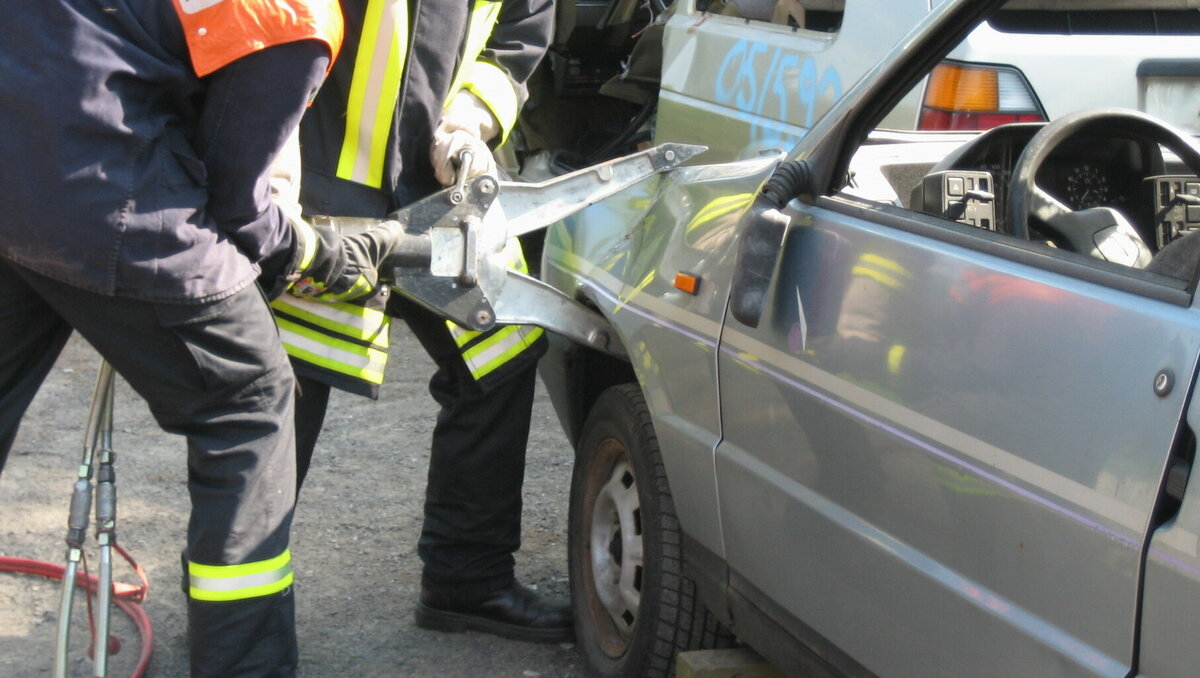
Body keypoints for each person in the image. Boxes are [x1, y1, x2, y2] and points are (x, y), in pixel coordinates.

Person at [0, 1, 397, 674]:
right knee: (250, 399)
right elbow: (236, 195)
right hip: (111, 201)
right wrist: (305, 252)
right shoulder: (292, 12)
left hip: (15, 173)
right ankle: (247, 664)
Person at [266, 0, 571, 643]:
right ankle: (239, 621)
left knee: (504, 351)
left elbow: (517, 35)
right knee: (280, 398)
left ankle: (469, 581)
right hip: (317, 196)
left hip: (443, 197)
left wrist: (468, 122)